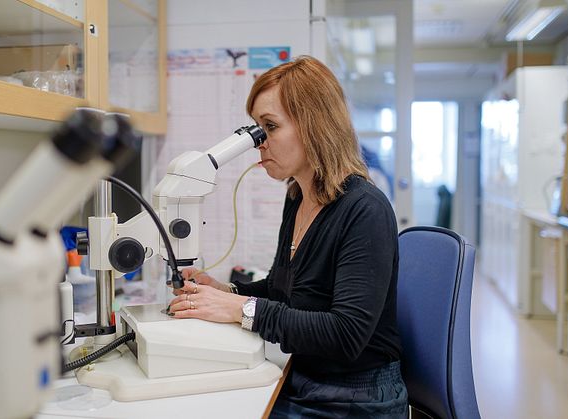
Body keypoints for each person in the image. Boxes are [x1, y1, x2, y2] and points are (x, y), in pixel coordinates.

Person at [168, 55, 408, 418]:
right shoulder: (297, 196)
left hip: (357, 396)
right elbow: (287, 293)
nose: (258, 142)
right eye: (255, 128)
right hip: (306, 377)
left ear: (314, 126)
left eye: (269, 127)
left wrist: (241, 310)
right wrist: (227, 292)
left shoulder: (364, 209)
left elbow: (346, 334)